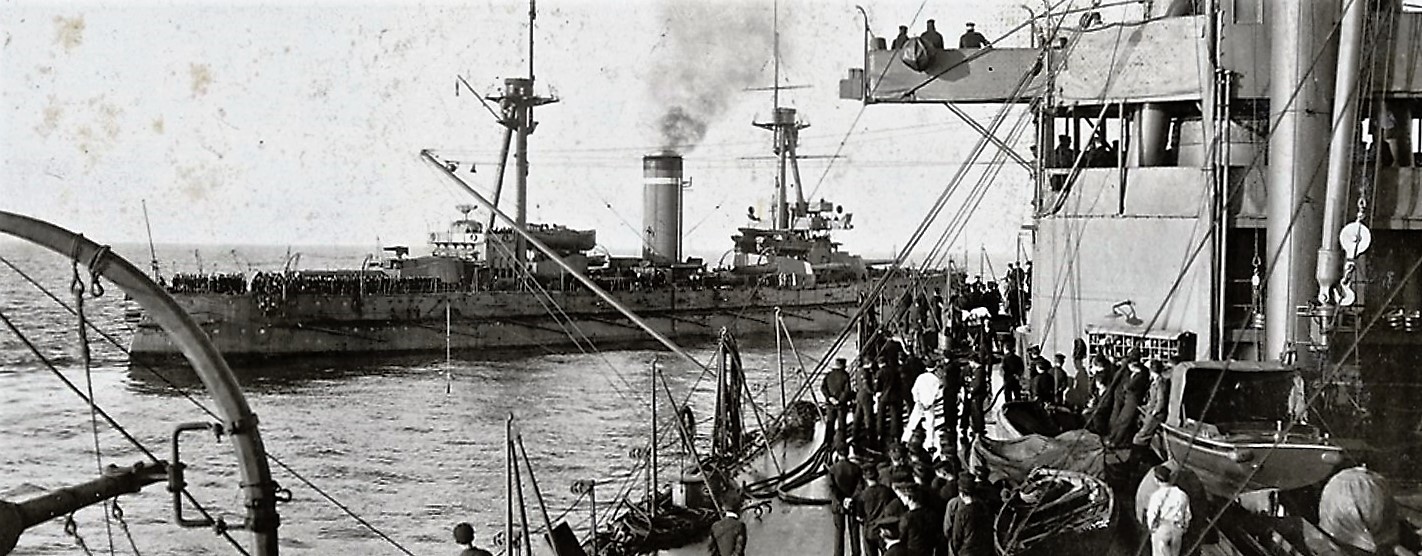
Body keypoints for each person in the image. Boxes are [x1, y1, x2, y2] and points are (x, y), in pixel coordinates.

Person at [1145, 466, 1191, 556]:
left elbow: (1151, 515)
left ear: (1157, 480)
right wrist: (1183, 528)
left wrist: (1152, 529)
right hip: (1177, 530)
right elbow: (1188, 515)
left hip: (1163, 529)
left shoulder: (1157, 496)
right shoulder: (1182, 494)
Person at [943, 475, 994, 556]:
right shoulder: (984, 507)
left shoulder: (961, 512)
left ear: (962, 494)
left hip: (966, 552)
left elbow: (956, 537)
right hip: (984, 550)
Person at [855, 462, 898, 556]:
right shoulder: (887, 491)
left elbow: (859, 517)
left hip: (869, 530)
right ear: (878, 475)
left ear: (865, 477)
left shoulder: (862, 496)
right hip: (884, 529)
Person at [829, 446, 864, 556]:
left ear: (837, 454)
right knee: (854, 531)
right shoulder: (856, 468)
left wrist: (842, 499)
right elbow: (860, 486)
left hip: (838, 505)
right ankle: (856, 553)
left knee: (839, 532)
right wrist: (851, 499)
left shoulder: (833, 469)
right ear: (848, 453)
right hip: (853, 504)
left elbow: (832, 488)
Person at [824, 358, 854, 447]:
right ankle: (841, 444)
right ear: (843, 365)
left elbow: (823, 388)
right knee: (841, 425)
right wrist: (840, 400)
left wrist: (830, 398)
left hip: (830, 404)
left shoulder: (828, 375)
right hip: (841, 405)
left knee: (830, 424)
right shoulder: (845, 375)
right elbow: (847, 390)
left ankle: (827, 443)